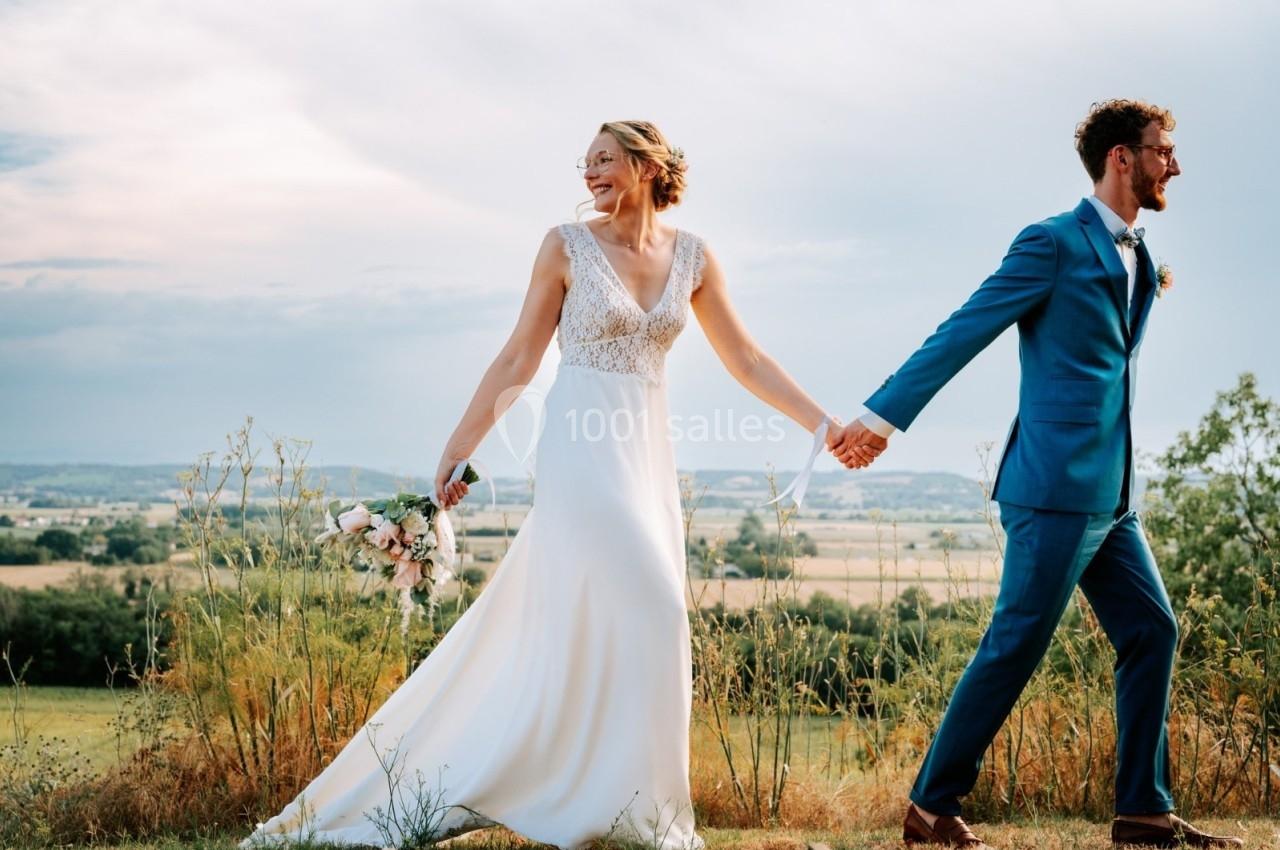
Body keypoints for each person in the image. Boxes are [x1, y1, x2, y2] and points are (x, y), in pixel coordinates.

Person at [241, 120, 848, 850]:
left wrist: (824, 425)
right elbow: (517, 359)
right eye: (585, 163)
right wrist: (458, 449)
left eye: (605, 160)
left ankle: (626, 806)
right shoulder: (564, 246)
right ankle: (598, 802)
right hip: (581, 449)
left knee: (633, 623)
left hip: (646, 453)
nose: (590, 173)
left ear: (648, 166)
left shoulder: (693, 256)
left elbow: (746, 357)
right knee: (654, 605)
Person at [829, 100, 1242, 849]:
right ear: (1121, 157)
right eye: (1163, 151)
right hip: (1052, 490)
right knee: (1016, 642)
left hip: (1113, 495)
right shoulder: (1051, 242)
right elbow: (964, 329)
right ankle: (931, 807)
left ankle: (1143, 813)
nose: (1174, 165)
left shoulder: (1138, 253)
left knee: (1152, 628)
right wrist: (880, 418)